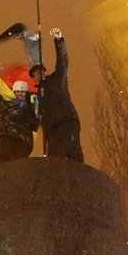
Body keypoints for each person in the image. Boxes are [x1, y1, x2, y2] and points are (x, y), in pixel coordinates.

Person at [29, 27, 83, 162]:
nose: (37, 76)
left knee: (73, 152)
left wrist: (59, 41)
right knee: (54, 162)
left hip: (66, 121)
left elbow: (62, 63)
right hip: (51, 131)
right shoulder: (37, 96)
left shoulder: (57, 78)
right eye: (34, 76)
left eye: (39, 73)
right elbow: (36, 117)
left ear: (46, 72)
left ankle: (78, 179)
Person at [0, 57, 40, 164]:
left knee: (21, 168)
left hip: (24, 142)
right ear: (14, 92)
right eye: (18, 91)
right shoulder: (5, 104)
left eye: (23, 92)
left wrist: (34, 114)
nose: (20, 94)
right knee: (3, 162)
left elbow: (35, 125)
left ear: (26, 94)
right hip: (7, 137)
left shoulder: (31, 108)